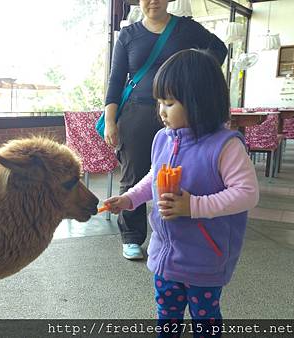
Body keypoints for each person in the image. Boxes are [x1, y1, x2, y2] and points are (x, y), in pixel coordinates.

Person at [105, 49, 259, 337]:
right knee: (167, 314)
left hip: (205, 257)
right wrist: (130, 198)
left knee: (205, 319)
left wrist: (194, 206)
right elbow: (154, 176)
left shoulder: (224, 146)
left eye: (170, 102)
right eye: (159, 102)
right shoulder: (162, 138)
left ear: (200, 102)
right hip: (166, 254)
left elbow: (247, 193)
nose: (161, 111)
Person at [104, 0, 228, 260]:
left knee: (187, 170)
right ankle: (132, 237)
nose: (153, 1)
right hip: (137, 113)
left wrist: (195, 78)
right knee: (135, 174)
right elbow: (116, 80)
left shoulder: (187, 28)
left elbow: (218, 50)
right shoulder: (128, 35)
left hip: (183, 113)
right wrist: (111, 120)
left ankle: (186, 227)